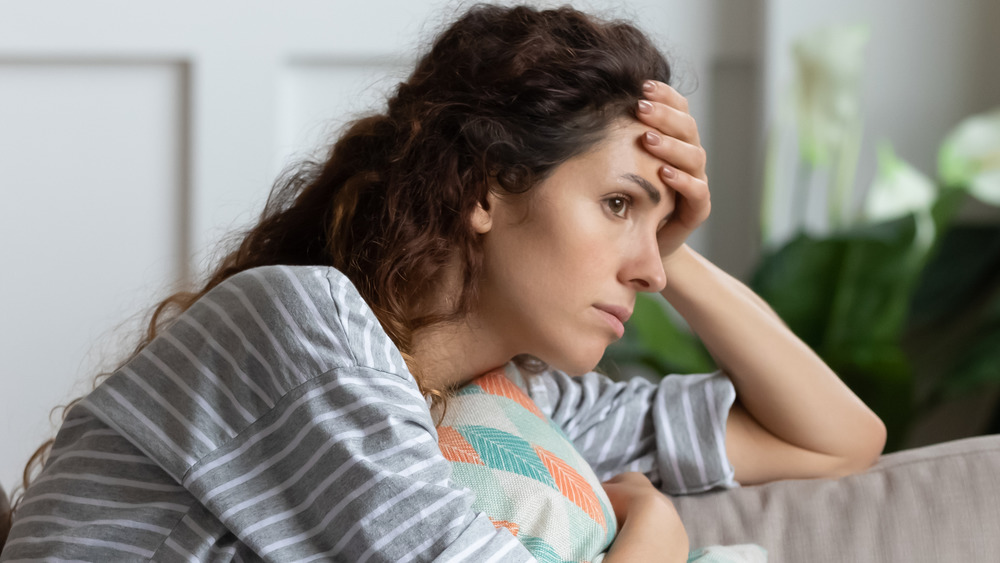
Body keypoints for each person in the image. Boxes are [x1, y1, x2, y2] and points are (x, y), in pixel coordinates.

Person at [0, 4, 885, 562]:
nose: (645, 267)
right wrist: (654, 531)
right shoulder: (303, 327)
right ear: (485, 188)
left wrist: (677, 252)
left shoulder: (509, 405)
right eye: (617, 204)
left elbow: (839, 440)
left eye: (655, 226)